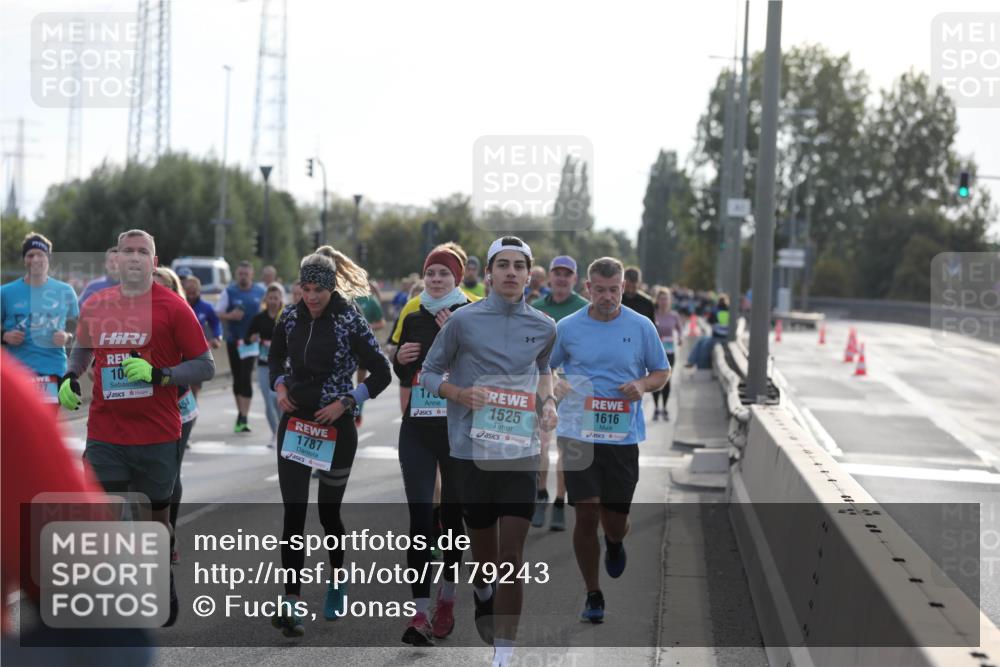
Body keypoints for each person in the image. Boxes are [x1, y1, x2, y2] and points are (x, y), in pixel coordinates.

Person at [58, 229, 216, 627]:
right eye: (126, 250)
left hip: (157, 436)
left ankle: (161, 578)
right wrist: (71, 375)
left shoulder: (174, 307)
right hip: (106, 434)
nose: (133, 257)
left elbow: (206, 365)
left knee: (154, 525)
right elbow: (84, 346)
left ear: (154, 261)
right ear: (115, 260)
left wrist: (159, 374)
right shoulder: (96, 304)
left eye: (141, 251)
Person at [420, 236, 558, 667]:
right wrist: (458, 393)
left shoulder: (544, 327)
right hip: (471, 453)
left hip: (519, 450)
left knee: (511, 556)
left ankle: (504, 651)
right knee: (484, 562)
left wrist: (549, 402)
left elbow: (543, 370)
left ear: (529, 274)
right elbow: (427, 373)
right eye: (503, 265)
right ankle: (481, 592)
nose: (512, 273)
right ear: (489, 274)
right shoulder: (463, 321)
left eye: (520, 266)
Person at [268, 249, 390, 637]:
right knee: (293, 514)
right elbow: (274, 361)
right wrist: (279, 387)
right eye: (305, 288)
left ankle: (337, 579)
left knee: (328, 514)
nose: (312, 296)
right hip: (296, 423)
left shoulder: (349, 319)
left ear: (331, 286)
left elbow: (383, 372)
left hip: (335, 430)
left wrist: (349, 401)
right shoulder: (288, 317)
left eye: (319, 288)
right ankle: (291, 603)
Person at [548, 257, 670, 624]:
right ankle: (593, 593)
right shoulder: (567, 328)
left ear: (623, 288)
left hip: (621, 436)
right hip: (577, 431)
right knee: (585, 513)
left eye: (613, 290)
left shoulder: (641, 326)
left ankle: (615, 542)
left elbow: (661, 371)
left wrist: (643, 385)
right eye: (599, 290)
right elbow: (545, 367)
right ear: (587, 288)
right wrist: (554, 382)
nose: (606, 297)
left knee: (614, 521)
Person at [392, 247, 469, 645]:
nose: (436, 280)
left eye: (444, 273)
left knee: (454, 522)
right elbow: (403, 366)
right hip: (418, 428)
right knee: (421, 520)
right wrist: (399, 358)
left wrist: (453, 331)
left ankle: (448, 598)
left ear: (457, 277)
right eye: (431, 273)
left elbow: (485, 367)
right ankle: (419, 612)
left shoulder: (472, 311)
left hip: (458, 430)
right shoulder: (411, 309)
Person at [529, 255, 589, 531]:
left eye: (568, 274)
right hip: (543, 385)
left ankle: (559, 503)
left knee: (565, 449)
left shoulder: (585, 310)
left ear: (575, 279)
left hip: (571, 389)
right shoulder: (535, 308)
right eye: (558, 273)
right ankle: (541, 494)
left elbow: (590, 356)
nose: (562, 278)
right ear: (549, 277)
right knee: (541, 444)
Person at [153, 268, 200, 563]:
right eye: (151, 285)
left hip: (179, 403)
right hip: (146, 406)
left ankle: (167, 537)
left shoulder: (182, 316)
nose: (155, 291)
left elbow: (200, 364)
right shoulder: (132, 318)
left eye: (162, 287)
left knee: (170, 473)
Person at [1, 233, 79, 407]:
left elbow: (78, 327)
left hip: (52, 372)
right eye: (30, 255)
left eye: (40, 254)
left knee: (42, 430)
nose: (35, 259)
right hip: (16, 374)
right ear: (24, 260)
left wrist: (66, 337)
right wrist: (4, 336)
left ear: (48, 259)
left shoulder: (65, 291)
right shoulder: (5, 292)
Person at [215, 261, 266, 433]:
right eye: (241, 274)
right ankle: (240, 413)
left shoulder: (261, 292)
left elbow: (268, 313)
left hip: (251, 342)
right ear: (237, 275)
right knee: (237, 378)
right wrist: (230, 315)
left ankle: (244, 417)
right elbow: (216, 312)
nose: (243, 277)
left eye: (246, 274)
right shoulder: (229, 292)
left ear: (252, 275)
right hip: (233, 341)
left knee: (246, 376)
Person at [247, 283, 285, 447]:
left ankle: (282, 431)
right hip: (263, 363)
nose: (273, 301)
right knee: (268, 400)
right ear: (266, 299)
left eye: (276, 298)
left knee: (277, 398)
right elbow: (248, 336)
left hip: (282, 364)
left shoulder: (285, 316)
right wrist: (253, 338)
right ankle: (275, 432)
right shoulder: (259, 318)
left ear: (281, 299)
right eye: (270, 298)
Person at [652, 287, 684, 421]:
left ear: (669, 301)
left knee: (666, 380)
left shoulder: (674, 315)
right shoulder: (653, 314)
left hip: (669, 352)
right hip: (654, 351)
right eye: (661, 299)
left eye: (666, 299)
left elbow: (680, 329)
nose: (664, 301)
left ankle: (664, 407)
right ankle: (656, 408)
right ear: (657, 300)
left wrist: (681, 338)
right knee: (654, 380)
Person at [183, 276, 223, 355]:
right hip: (180, 347)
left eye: (194, 293)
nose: (191, 296)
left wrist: (217, 337)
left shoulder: (206, 307)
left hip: (199, 348)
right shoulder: (178, 305)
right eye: (188, 293)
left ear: (199, 291)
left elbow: (215, 322)